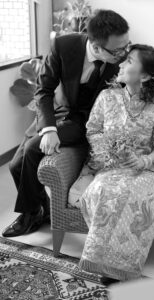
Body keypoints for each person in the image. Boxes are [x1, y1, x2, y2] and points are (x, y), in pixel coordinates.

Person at [2, 9, 130, 238]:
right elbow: (43, 90)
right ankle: (44, 209)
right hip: (60, 112)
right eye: (118, 50)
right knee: (15, 166)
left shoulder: (122, 60)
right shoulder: (64, 45)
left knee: (33, 148)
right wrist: (49, 128)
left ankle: (29, 215)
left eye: (126, 46)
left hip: (89, 119)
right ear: (96, 45)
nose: (123, 54)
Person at [76, 44, 154, 284]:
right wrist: (108, 150)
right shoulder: (107, 97)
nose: (120, 64)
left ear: (146, 75)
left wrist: (143, 160)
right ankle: (103, 260)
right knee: (101, 191)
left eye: (128, 61)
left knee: (131, 194)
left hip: (145, 170)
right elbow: (93, 130)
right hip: (110, 166)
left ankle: (119, 266)